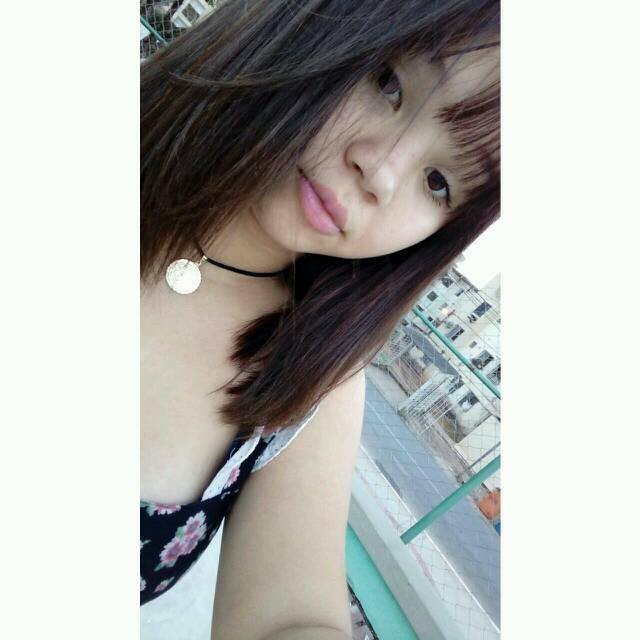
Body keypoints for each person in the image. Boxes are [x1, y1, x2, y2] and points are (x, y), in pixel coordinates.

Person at [140, 0, 500, 638]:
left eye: (439, 183)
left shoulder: (309, 378)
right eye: (388, 83)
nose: (381, 172)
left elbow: (290, 616)